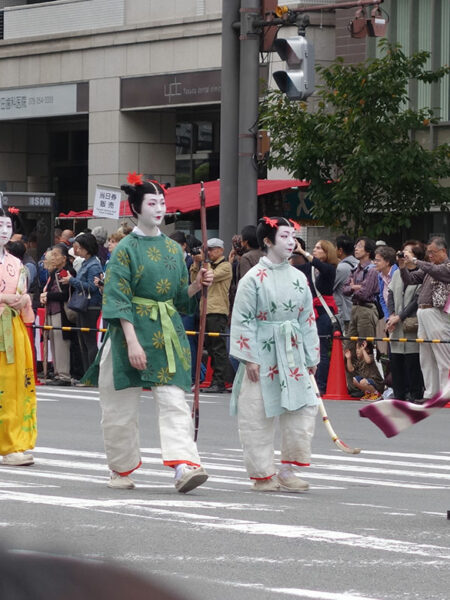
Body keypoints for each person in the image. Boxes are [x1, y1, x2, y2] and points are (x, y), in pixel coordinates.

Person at [83, 174, 213, 492]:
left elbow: (180, 298)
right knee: (118, 404)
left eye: (162, 203)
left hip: (166, 330)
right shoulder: (124, 249)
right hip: (128, 330)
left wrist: (199, 285)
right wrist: (131, 341)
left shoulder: (173, 249)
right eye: (152, 203)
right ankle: (121, 468)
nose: (159, 209)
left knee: (173, 399)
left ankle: (184, 465)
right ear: (136, 208)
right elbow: (117, 297)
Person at [230, 217, 320, 492]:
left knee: (301, 409)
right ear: (268, 241)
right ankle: (262, 473)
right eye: (284, 236)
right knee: (258, 410)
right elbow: (242, 319)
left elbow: (307, 318)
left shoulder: (299, 277)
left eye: (293, 236)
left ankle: (287, 468)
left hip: (292, 347)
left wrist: (311, 354)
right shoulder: (252, 278)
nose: (291, 241)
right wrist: (249, 357)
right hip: (263, 347)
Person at [0, 201, 37, 467]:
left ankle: (14, 443)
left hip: (11, 327)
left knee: (13, 387)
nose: (4, 230)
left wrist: (23, 300)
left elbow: (24, 293)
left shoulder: (16, 262)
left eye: (7, 226)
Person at [399, 237, 450, 399]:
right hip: (423, 312)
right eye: (428, 253)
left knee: (442, 355)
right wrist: (402, 267)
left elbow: (436, 271)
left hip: (437, 313)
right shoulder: (431, 267)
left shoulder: (446, 266)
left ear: (443, 251)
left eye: (432, 252)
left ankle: (446, 393)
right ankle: (431, 392)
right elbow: (411, 279)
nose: (429, 255)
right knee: (426, 355)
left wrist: (415, 261)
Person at [294, 239, 339, 395]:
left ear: (327, 253)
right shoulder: (310, 268)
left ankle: (320, 385)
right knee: (309, 347)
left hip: (324, 312)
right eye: (314, 248)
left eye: (319, 248)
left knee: (321, 348)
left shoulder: (330, 269)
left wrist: (302, 252)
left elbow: (320, 266)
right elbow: (294, 269)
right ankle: (309, 382)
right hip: (311, 312)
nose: (315, 250)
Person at [190, 237, 233, 393]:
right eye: (207, 249)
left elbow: (209, 277)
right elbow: (195, 281)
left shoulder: (226, 266)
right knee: (210, 347)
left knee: (218, 348)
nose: (208, 252)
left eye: (211, 249)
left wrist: (203, 262)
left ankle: (220, 381)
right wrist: (196, 263)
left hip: (217, 310)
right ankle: (215, 380)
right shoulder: (206, 265)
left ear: (220, 250)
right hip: (205, 310)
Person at [385, 240, 425, 402]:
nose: (403, 254)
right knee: (396, 362)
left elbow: (416, 301)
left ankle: (415, 394)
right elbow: (390, 294)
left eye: (408, 252)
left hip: (410, 325)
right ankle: (399, 393)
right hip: (395, 326)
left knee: (412, 363)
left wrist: (399, 317)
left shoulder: (422, 273)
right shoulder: (397, 273)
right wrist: (392, 314)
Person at [59, 233, 103, 376]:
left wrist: (71, 281)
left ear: (86, 248)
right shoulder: (86, 263)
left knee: (89, 342)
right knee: (83, 342)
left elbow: (92, 287)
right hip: (83, 305)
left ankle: (91, 375)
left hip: (91, 306)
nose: (76, 250)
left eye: (79, 247)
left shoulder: (94, 265)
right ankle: (86, 375)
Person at [40, 245, 76, 386]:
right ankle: (57, 372)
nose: (53, 257)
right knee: (54, 343)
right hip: (52, 311)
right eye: (52, 254)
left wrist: (48, 295)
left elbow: (64, 294)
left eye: (56, 255)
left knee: (62, 343)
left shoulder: (67, 272)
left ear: (64, 258)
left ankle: (64, 375)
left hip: (62, 312)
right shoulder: (55, 272)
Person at [343, 237, 379, 348]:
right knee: (350, 347)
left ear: (368, 251)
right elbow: (344, 289)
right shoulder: (355, 268)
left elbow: (365, 293)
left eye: (359, 246)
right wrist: (355, 287)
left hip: (367, 309)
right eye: (355, 246)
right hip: (354, 308)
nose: (356, 249)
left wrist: (352, 288)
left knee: (365, 347)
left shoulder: (372, 269)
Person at [333, 235, 358, 334]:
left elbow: (328, 287)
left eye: (335, 247)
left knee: (345, 343)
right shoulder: (358, 263)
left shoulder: (341, 268)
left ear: (340, 250)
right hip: (355, 309)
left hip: (345, 312)